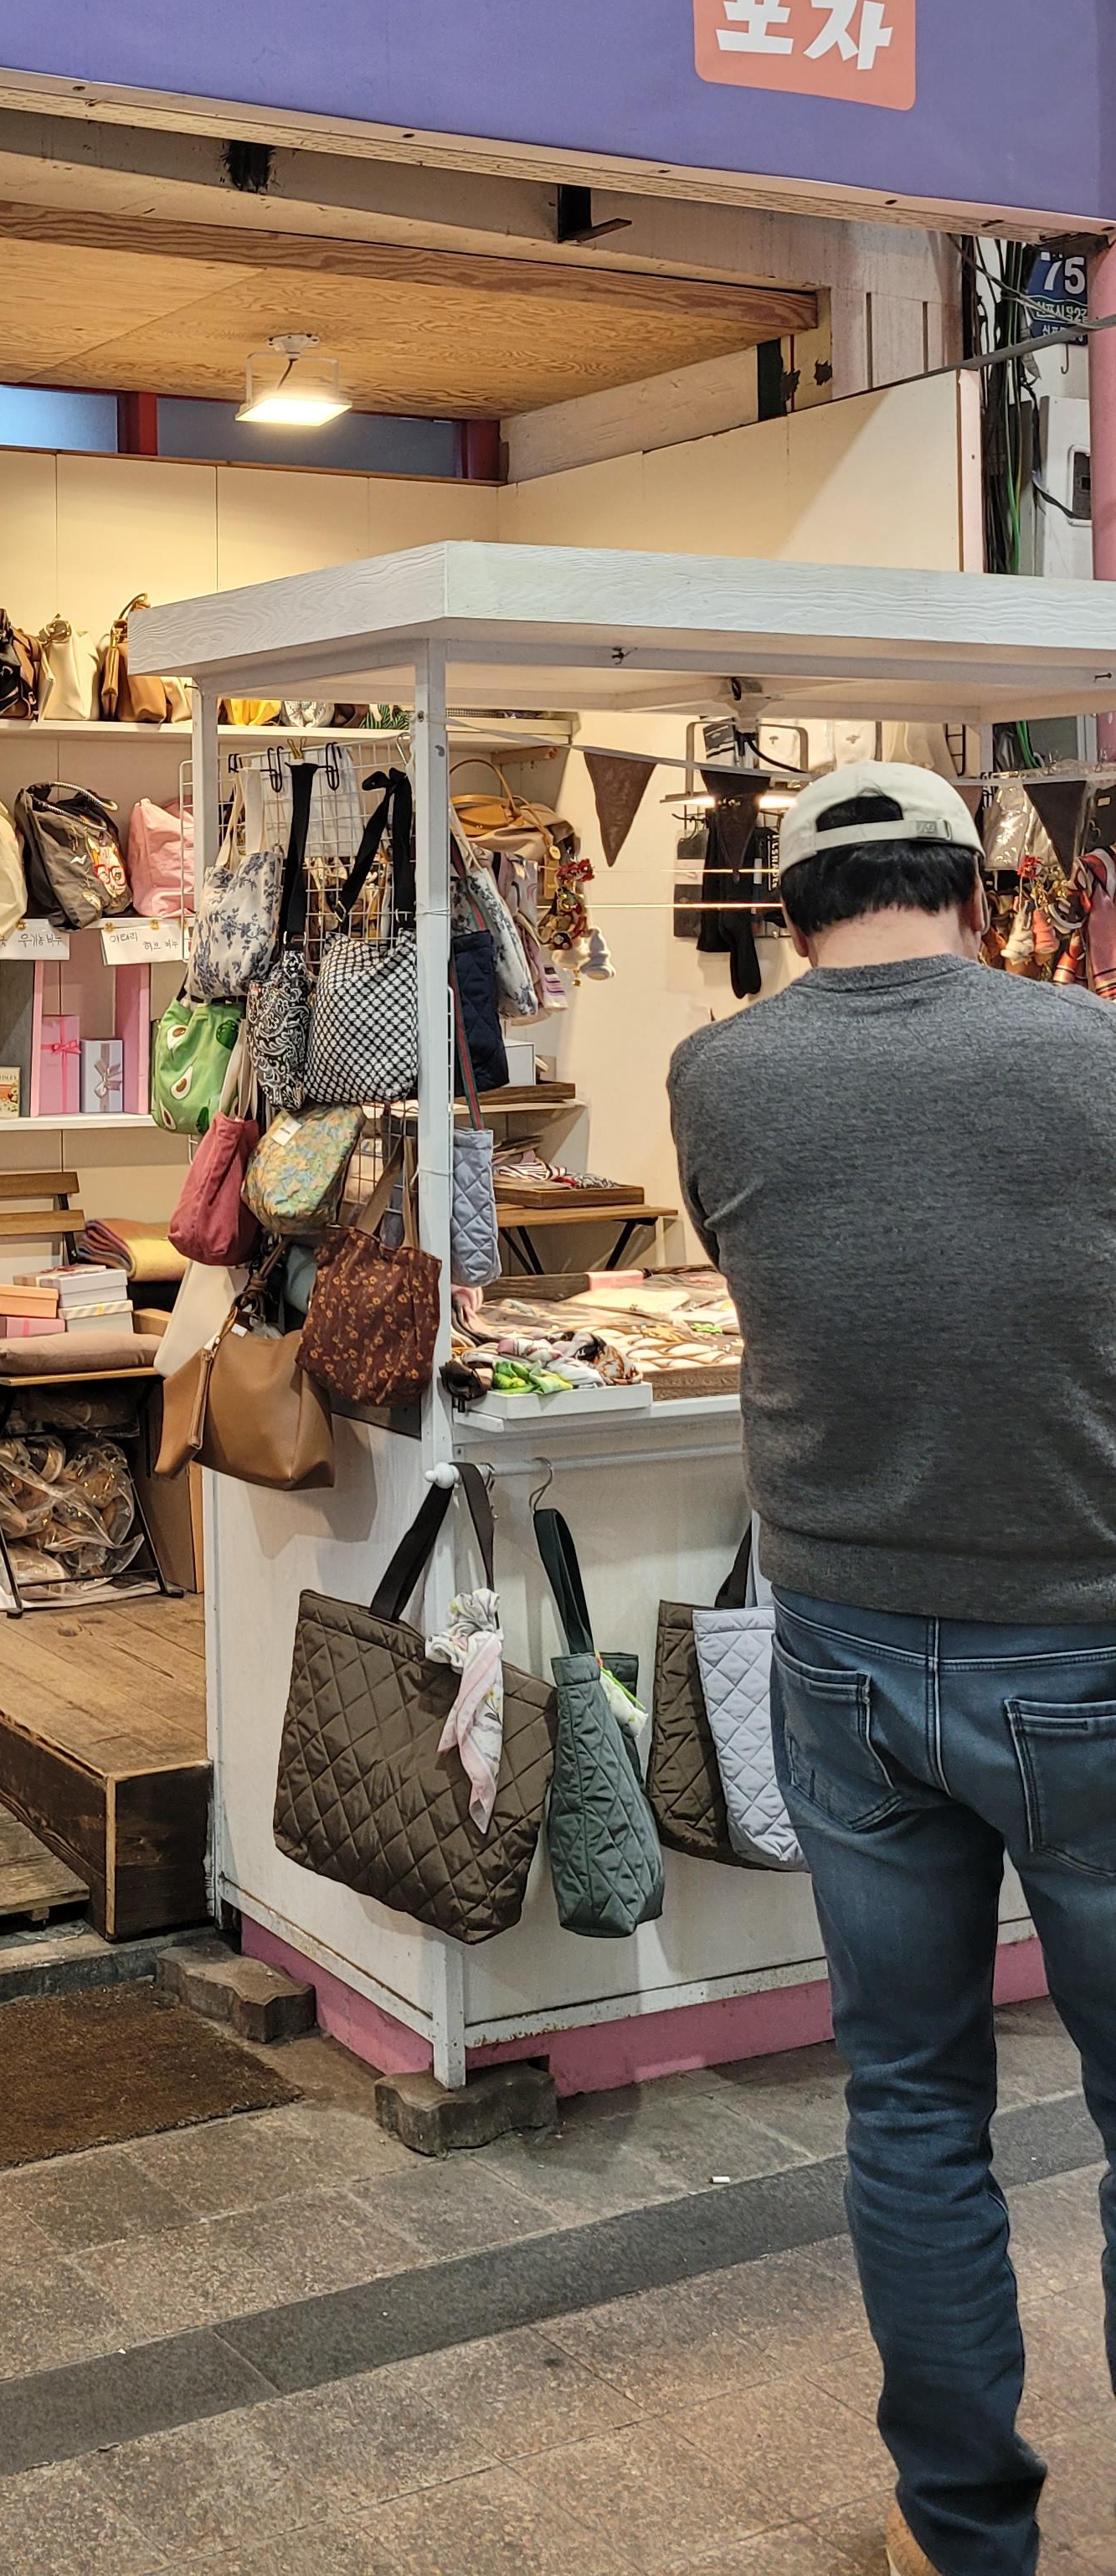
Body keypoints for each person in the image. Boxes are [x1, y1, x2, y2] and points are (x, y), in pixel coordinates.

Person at [667, 760, 1116, 2576]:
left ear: (787, 914)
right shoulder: (1092, 1053)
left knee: (914, 2101)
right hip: (1084, 1633)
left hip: (845, 1643)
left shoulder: (718, 1075)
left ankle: (959, 2531)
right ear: (973, 890)